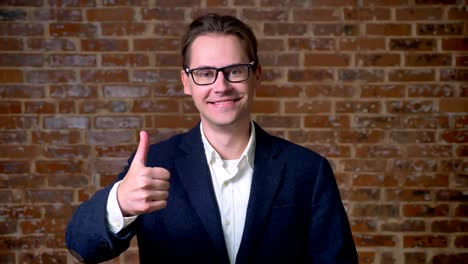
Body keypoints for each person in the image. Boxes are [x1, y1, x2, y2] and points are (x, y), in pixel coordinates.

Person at [65, 13, 358, 263]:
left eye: (234, 71)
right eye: (205, 73)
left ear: (256, 74)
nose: (221, 86)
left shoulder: (308, 170)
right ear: (186, 82)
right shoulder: (153, 164)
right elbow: (82, 246)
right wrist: (120, 203)